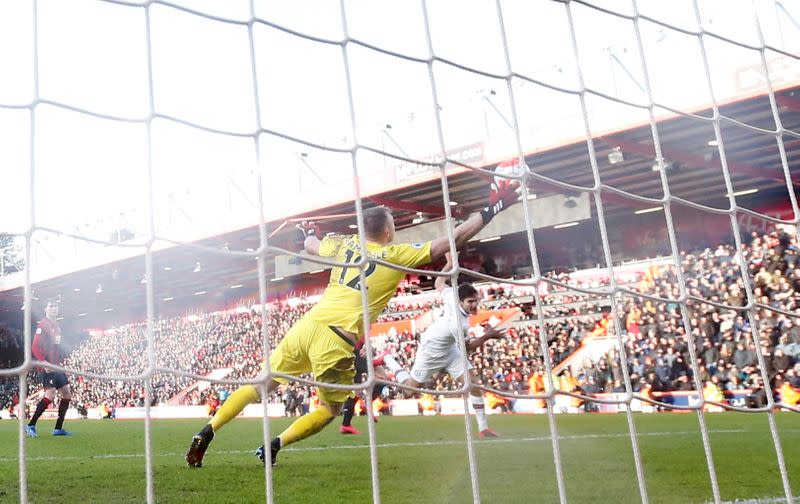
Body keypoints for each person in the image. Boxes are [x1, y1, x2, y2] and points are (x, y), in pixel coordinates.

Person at [185, 180, 520, 468]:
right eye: (393, 223)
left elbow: (310, 245)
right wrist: (494, 207)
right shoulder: (396, 254)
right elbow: (454, 238)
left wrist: (310, 232)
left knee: (260, 384)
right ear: (387, 230)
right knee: (329, 410)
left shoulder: (342, 245)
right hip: (336, 341)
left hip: (306, 326)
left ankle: (208, 430)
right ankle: (272, 446)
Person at [374, 253, 507, 438]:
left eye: (476, 300)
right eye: (470, 302)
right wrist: (488, 336)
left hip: (450, 350)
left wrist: (450, 264)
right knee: (408, 391)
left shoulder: (453, 296)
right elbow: (468, 348)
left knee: (474, 384)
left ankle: (483, 428)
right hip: (431, 351)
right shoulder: (459, 324)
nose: (474, 305)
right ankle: (387, 357)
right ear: (461, 301)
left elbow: (438, 283)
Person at [26, 298, 73, 437]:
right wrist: (44, 362)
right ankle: (30, 425)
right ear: (45, 309)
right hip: (47, 367)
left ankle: (58, 429)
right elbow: (34, 347)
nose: (54, 308)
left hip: (56, 366)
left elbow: (55, 347)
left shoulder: (56, 325)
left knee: (66, 395)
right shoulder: (43, 325)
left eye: (56, 306)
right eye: (51, 306)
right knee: (50, 395)